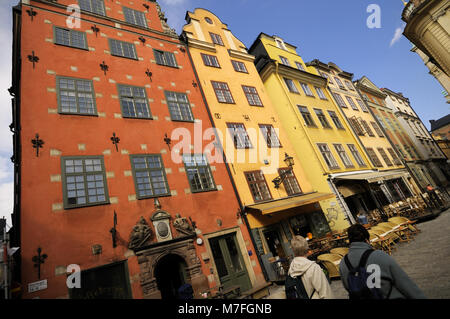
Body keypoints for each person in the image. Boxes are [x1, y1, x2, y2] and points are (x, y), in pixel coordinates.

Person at [339, 224, 426, 299]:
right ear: (367, 240)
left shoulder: (343, 263)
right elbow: (405, 284)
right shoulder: (379, 255)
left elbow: (348, 287)